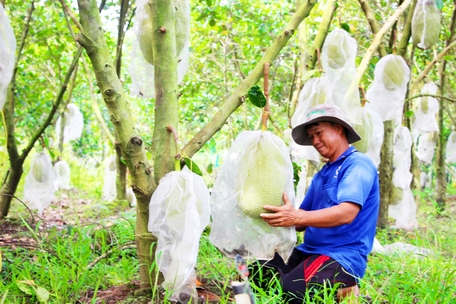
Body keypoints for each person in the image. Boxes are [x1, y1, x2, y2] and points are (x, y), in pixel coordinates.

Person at [258, 104, 380, 303]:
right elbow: (301, 221)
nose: (315, 141)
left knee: (293, 290)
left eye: (319, 133)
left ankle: (348, 291)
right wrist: (275, 213)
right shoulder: (322, 174)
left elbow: (347, 213)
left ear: (339, 128)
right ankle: (340, 290)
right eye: (311, 136)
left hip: (343, 255)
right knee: (257, 272)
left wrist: (296, 216)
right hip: (309, 251)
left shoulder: (357, 165)